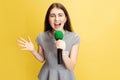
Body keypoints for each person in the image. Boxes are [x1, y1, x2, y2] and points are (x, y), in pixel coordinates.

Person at [17, 2, 80, 80]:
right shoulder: (42, 37)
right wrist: (33, 50)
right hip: (48, 75)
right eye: (52, 16)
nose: (56, 19)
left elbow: (71, 67)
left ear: (65, 18)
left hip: (66, 76)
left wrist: (63, 52)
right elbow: (42, 59)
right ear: (48, 19)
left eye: (60, 15)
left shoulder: (74, 37)